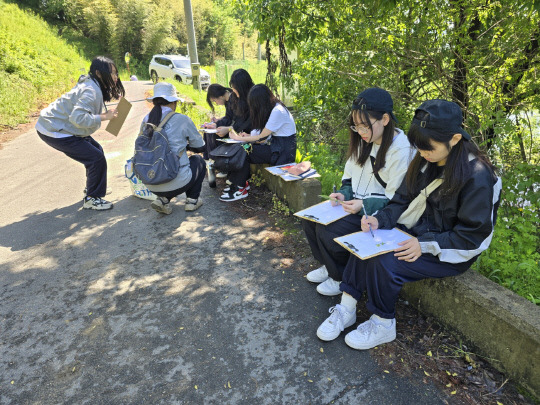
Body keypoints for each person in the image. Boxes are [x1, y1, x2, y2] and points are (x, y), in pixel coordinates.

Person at [316, 99, 502, 350]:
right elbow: (401, 200)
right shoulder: (426, 160)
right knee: (366, 244)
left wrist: (424, 244)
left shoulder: (478, 176)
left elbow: (471, 237)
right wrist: (379, 219)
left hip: (448, 248)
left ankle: (383, 322)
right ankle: (346, 308)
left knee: (384, 260)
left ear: (455, 139)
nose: (422, 153)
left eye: (428, 148)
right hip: (414, 232)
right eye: (419, 147)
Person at [303, 88, 414, 296]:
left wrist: (363, 205)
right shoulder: (364, 142)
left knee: (328, 231)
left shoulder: (401, 150)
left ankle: (339, 277)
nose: (360, 132)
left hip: (379, 217)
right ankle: (329, 267)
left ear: (385, 119)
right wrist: (344, 194)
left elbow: (398, 201)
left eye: (365, 126)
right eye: (356, 126)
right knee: (310, 220)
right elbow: (349, 180)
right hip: (356, 207)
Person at [36, 56, 125, 210]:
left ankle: (92, 188)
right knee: (95, 158)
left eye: (116, 73)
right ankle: (92, 198)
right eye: (112, 73)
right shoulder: (90, 90)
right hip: (54, 129)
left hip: (60, 125)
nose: (115, 77)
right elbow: (78, 118)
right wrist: (105, 116)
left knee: (97, 151)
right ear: (98, 73)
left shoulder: (92, 83)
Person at [220, 84, 297, 202]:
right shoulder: (273, 107)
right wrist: (248, 136)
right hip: (276, 146)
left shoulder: (277, 111)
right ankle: (238, 183)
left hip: (282, 152)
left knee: (245, 149)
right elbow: (264, 136)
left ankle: (240, 188)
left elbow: (261, 138)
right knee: (244, 147)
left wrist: (239, 138)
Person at [140, 82, 206, 214]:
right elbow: (200, 146)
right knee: (198, 161)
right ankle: (192, 201)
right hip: (178, 182)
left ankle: (163, 199)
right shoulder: (182, 119)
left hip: (150, 181)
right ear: (174, 102)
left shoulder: (146, 120)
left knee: (164, 167)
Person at [203, 71, 254, 183]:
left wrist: (230, 129)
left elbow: (245, 121)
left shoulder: (248, 99)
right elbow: (234, 119)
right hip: (243, 132)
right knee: (213, 133)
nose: (233, 92)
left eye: (234, 89)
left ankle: (234, 176)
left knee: (241, 147)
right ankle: (215, 164)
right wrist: (218, 124)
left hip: (250, 135)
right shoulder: (237, 98)